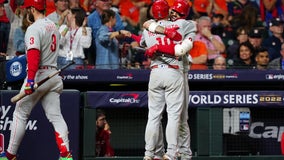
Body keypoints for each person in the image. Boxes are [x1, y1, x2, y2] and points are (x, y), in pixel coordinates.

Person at [0, 0, 73, 159]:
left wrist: (31, 81)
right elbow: (57, 38)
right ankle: (66, 154)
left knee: (20, 113)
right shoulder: (53, 25)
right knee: (56, 116)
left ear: (32, 9)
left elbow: (34, 56)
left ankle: (10, 155)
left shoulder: (33, 28)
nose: (26, 11)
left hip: (38, 75)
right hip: (53, 76)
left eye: (27, 8)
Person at [141, 0, 195, 159]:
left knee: (155, 117)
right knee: (174, 116)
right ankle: (171, 153)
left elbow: (144, 38)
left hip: (156, 73)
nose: (174, 14)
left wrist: (156, 46)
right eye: (172, 11)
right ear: (167, 11)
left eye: (177, 12)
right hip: (173, 72)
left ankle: (149, 153)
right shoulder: (178, 26)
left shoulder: (152, 26)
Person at [87, 0, 124, 65]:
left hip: (113, 53)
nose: (106, 2)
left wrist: (118, 35)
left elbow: (122, 34)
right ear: (96, 3)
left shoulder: (115, 16)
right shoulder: (90, 19)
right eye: (103, 0)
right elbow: (101, 38)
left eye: (108, 0)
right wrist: (116, 33)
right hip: (96, 55)